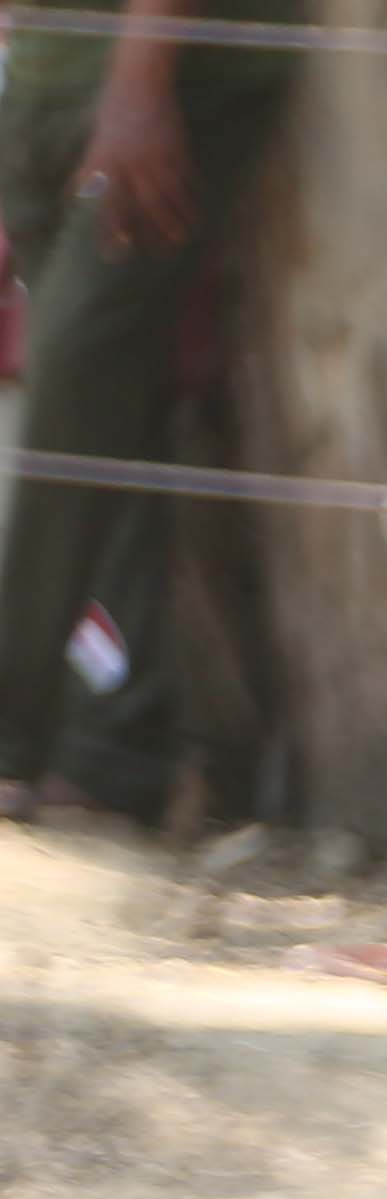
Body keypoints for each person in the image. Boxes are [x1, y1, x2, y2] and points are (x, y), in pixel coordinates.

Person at [0, 0, 284, 826]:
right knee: (105, 405)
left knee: (76, 376)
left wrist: (139, 79)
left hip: (175, 71)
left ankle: (11, 731)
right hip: (46, 68)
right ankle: (114, 753)